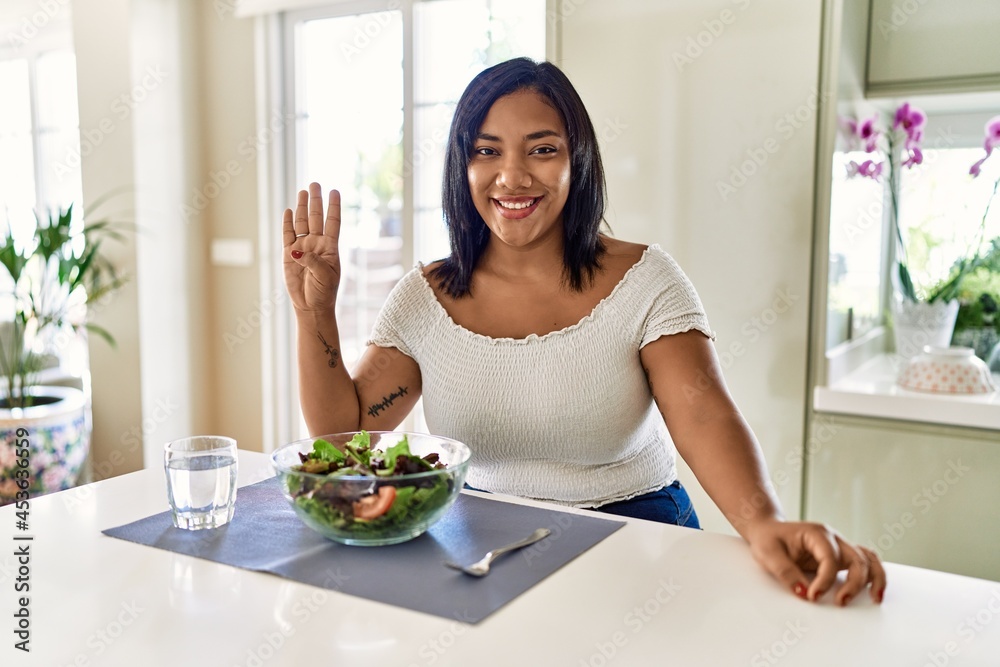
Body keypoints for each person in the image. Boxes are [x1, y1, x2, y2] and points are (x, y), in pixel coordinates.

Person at [281, 57, 886, 606]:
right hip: (484, 542)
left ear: (579, 159)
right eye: (487, 151)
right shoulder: (424, 295)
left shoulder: (646, 280)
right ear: (461, 165)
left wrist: (764, 523)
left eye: (541, 150)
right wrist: (316, 314)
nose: (511, 177)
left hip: (637, 530)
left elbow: (705, 418)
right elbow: (350, 436)